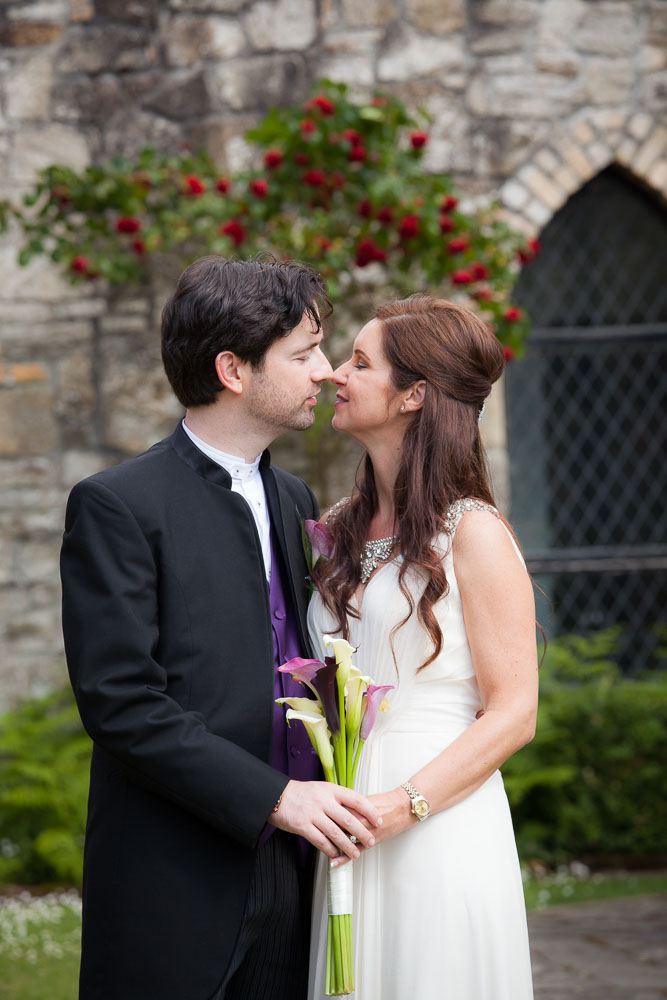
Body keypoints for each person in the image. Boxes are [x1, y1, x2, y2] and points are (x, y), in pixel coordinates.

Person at [60, 256, 382, 1000]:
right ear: (233, 370)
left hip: (297, 875)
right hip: (174, 879)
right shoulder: (117, 505)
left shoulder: (293, 494)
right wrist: (276, 797)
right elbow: (120, 703)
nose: (326, 373)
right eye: (303, 355)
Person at [307, 294, 538, 998]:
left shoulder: (474, 534)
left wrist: (396, 808)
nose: (333, 375)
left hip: (436, 819)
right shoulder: (336, 526)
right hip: (344, 810)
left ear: (414, 395)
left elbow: (513, 713)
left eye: (359, 362)